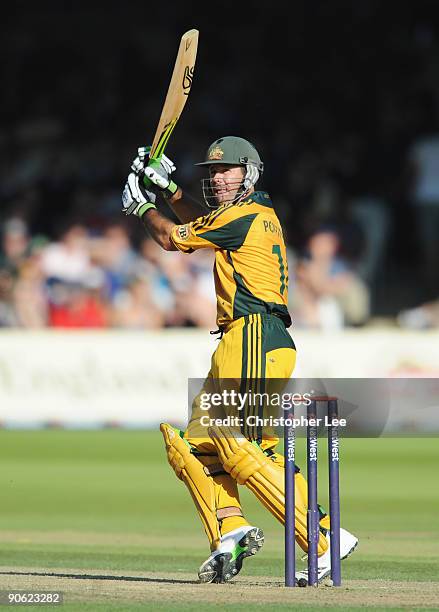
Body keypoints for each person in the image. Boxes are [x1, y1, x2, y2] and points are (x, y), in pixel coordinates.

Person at [122, 136, 358, 584]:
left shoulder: (247, 215)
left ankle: (325, 539)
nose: (216, 178)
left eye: (226, 170)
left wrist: (138, 208)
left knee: (237, 444)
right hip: (238, 339)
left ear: (249, 172)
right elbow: (201, 223)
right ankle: (230, 530)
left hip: (255, 335)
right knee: (194, 445)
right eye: (211, 172)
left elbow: (173, 239)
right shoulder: (242, 217)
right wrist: (169, 190)